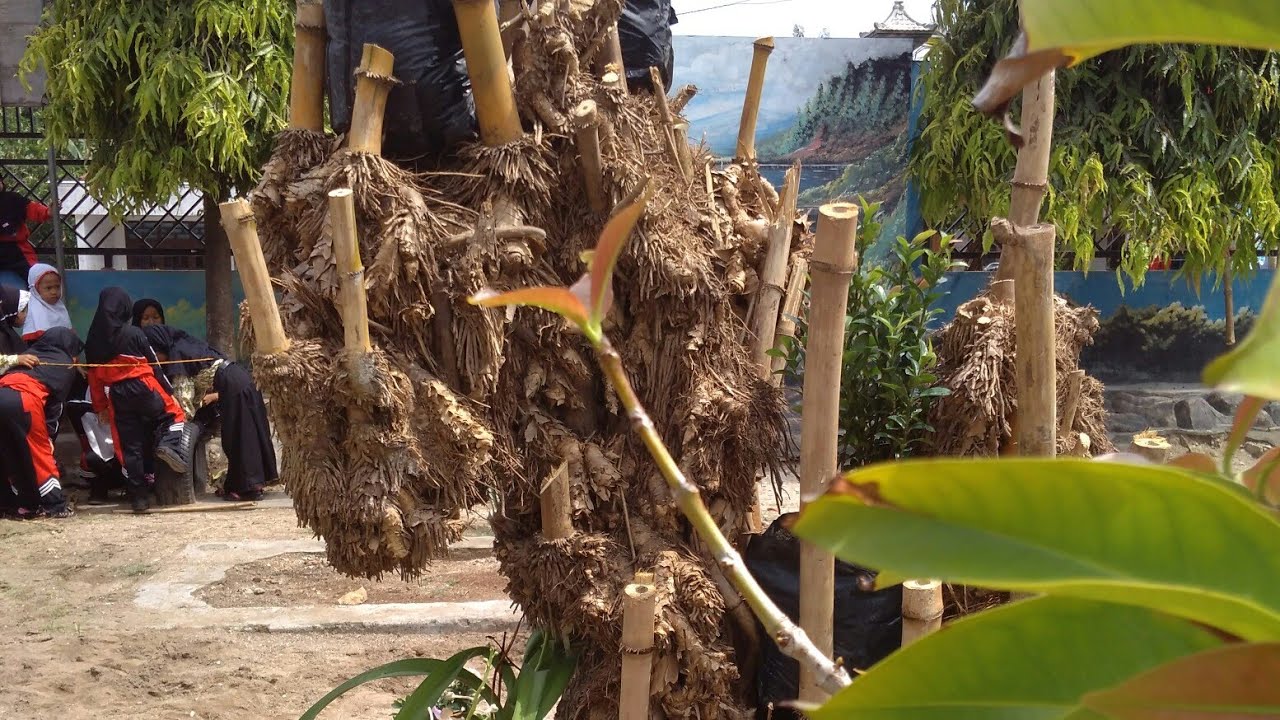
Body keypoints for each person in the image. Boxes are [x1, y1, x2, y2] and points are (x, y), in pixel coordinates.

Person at [85, 287, 191, 512]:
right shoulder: (134, 334)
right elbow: (155, 367)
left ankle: (139, 500)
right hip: (144, 386)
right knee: (174, 416)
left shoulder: (93, 340)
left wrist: (101, 407)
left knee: (130, 446)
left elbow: (95, 380)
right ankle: (168, 446)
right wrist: (170, 393)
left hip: (117, 394)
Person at [144, 324, 278, 501]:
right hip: (242, 379)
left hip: (232, 385)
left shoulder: (177, 356)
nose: (155, 361)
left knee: (238, 437)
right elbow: (200, 381)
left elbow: (184, 397)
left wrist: (182, 421)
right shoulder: (187, 346)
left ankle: (247, 488)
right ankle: (252, 484)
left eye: (153, 355)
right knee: (249, 433)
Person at [0, 327, 82, 519]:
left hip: (2, 393)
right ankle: (56, 506)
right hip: (24, 399)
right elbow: (56, 406)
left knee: (11, 454)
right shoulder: (64, 363)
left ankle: (22, 505)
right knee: (40, 454)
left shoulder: (27, 355)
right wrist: (49, 436)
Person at [0, 182, 52, 287]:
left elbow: (33, 209)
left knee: (36, 277)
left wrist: (48, 212)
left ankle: (41, 301)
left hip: (17, 249)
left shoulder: (13, 199)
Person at [22, 263, 72, 342]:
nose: (54, 292)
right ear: (35, 290)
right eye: (48, 288)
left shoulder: (61, 309)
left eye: (57, 287)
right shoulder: (34, 313)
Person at [1, 286, 38, 373]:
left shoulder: (8, 333)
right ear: (11, 310)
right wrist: (17, 360)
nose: (26, 315)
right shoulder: (2, 337)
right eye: (23, 310)